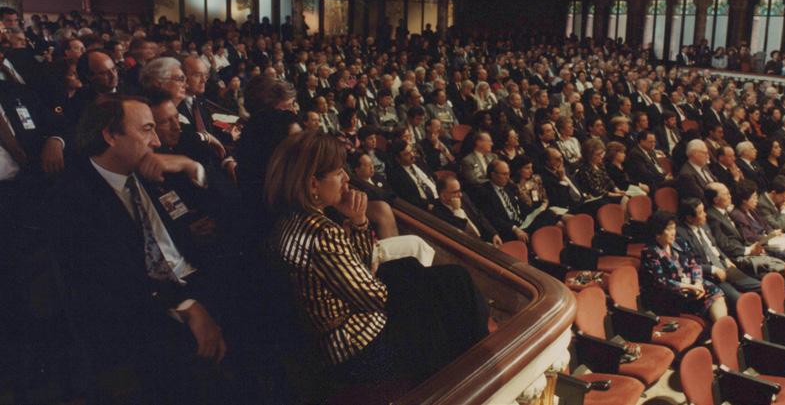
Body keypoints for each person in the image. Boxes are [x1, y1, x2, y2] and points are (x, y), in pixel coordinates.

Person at [48, 96, 239, 402]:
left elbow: (232, 205)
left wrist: (189, 165)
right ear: (111, 135)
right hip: (145, 309)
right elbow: (113, 279)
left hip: (198, 277)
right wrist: (187, 305)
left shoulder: (153, 166)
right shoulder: (74, 198)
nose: (157, 141)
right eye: (147, 130)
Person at [265, 132, 488, 385]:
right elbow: (375, 296)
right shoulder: (323, 232)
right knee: (453, 285)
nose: (346, 178)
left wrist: (358, 221)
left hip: (331, 340)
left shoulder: (290, 220)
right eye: (338, 173)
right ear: (313, 184)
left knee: (414, 269)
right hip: (359, 347)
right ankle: (477, 369)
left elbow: (360, 266)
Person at [640, 211, 728, 322]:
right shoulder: (650, 252)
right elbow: (662, 282)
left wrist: (697, 282)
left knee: (715, 291)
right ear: (657, 232)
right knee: (697, 298)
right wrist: (690, 287)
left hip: (690, 284)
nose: (673, 233)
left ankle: (721, 329)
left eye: (674, 228)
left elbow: (694, 264)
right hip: (669, 294)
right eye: (669, 229)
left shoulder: (680, 242)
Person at [676, 198, 761, 308]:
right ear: (689, 218)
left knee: (760, 286)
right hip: (710, 275)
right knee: (740, 300)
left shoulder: (703, 224)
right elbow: (689, 263)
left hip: (723, 264)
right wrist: (713, 269)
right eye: (701, 212)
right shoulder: (681, 235)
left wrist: (725, 258)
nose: (705, 214)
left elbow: (714, 246)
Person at [705, 182, 785, 277]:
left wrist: (754, 247)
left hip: (748, 249)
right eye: (726, 194)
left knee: (782, 263)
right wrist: (748, 250)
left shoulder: (724, 212)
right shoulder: (712, 216)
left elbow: (743, 236)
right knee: (781, 266)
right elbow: (724, 244)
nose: (730, 196)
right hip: (737, 257)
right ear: (716, 200)